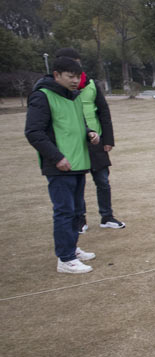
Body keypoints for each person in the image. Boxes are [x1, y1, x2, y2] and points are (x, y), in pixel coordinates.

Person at [25, 57, 101, 273]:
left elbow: (78, 124)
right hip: (60, 166)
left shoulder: (74, 97)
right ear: (56, 75)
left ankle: (72, 248)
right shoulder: (42, 97)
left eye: (78, 77)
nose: (75, 81)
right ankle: (65, 259)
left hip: (78, 162)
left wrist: (89, 133)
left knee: (77, 210)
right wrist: (57, 157)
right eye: (70, 77)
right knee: (64, 211)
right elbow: (34, 132)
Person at [52, 48, 125, 232]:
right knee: (77, 184)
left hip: (95, 140)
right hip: (73, 142)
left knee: (103, 181)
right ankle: (80, 219)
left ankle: (106, 216)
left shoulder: (91, 84)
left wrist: (107, 138)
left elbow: (103, 111)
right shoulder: (56, 91)